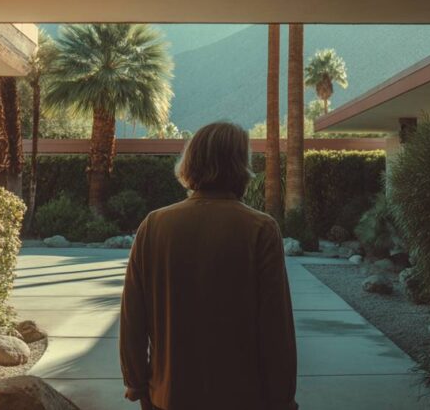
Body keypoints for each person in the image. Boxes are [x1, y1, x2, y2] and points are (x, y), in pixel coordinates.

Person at [119, 121, 299, 410]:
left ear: (191, 161)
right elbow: (275, 326)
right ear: (240, 165)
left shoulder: (154, 225)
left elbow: (133, 319)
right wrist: (282, 396)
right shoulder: (260, 229)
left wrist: (137, 383)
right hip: (243, 397)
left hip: (169, 395)